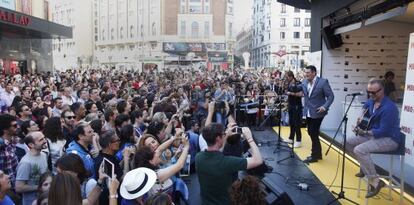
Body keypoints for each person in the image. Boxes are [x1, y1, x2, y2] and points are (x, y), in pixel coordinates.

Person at [347, 79, 402, 198]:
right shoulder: (371, 101)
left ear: (382, 90)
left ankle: (376, 182)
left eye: (373, 92)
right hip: (373, 135)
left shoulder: (389, 108)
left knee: (359, 150)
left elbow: (384, 131)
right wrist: (361, 117)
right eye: (368, 92)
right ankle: (364, 167)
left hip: (389, 139)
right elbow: (366, 105)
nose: (370, 95)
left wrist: (364, 132)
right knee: (347, 143)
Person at [195, 123, 262, 205]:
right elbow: (258, 160)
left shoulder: (198, 157)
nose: (225, 134)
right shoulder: (227, 163)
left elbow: (216, 152)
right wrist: (250, 138)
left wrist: (225, 137)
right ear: (218, 138)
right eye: (224, 133)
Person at [301, 65, 334, 163]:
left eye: (308, 72)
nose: (306, 74)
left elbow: (331, 96)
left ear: (314, 73)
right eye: (305, 72)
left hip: (319, 112)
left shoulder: (323, 82)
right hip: (308, 111)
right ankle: (318, 154)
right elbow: (302, 92)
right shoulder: (304, 82)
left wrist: (325, 106)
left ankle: (314, 155)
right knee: (311, 132)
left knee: (313, 132)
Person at [15, 131, 49, 205]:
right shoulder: (25, 163)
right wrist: (39, 187)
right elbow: (19, 187)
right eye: (41, 140)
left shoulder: (44, 155)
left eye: (44, 138)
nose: (45, 141)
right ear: (31, 145)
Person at [285, 71, 303, 148]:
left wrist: (291, 94)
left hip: (297, 106)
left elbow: (301, 94)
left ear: (291, 76)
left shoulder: (298, 83)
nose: (286, 78)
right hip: (291, 105)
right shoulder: (288, 83)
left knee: (297, 123)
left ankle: (298, 140)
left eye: (287, 77)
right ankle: (291, 138)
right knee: (291, 122)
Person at [0, 114, 19, 187]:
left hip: (18, 184)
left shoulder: (16, 141)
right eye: (14, 126)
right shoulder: (1, 147)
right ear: (5, 129)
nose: (18, 127)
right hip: (8, 189)